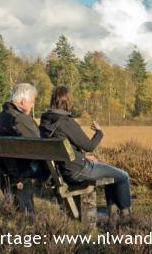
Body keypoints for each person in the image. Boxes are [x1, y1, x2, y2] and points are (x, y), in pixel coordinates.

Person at [39, 85, 132, 226]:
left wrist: (81, 156)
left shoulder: (45, 122)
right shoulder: (66, 122)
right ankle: (125, 217)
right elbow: (89, 146)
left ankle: (113, 217)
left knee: (110, 174)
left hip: (63, 170)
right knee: (123, 176)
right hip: (79, 170)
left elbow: (66, 147)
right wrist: (99, 132)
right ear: (68, 101)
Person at [0, 83, 49, 212]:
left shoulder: (3, 116)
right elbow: (39, 142)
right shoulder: (20, 118)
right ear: (23, 101)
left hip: (5, 167)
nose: (33, 105)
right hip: (24, 168)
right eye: (32, 102)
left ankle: (21, 211)